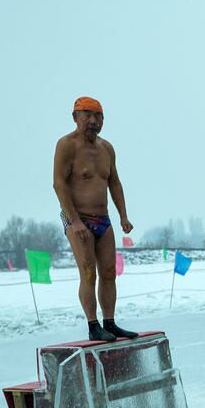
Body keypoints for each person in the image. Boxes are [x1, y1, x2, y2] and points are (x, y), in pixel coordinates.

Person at [53, 96, 137, 342]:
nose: (93, 121)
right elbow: (59, 184)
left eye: (98, 116)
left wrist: (123, 215)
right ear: (75, 117)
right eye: (87, 115)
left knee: (109, 271)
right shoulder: (66, 145)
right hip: (78, 219)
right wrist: (75, 221)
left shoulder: (107, 148)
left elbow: (114, 183)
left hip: (104, 219)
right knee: (89, 272)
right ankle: (93, 325)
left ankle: (109, 322)